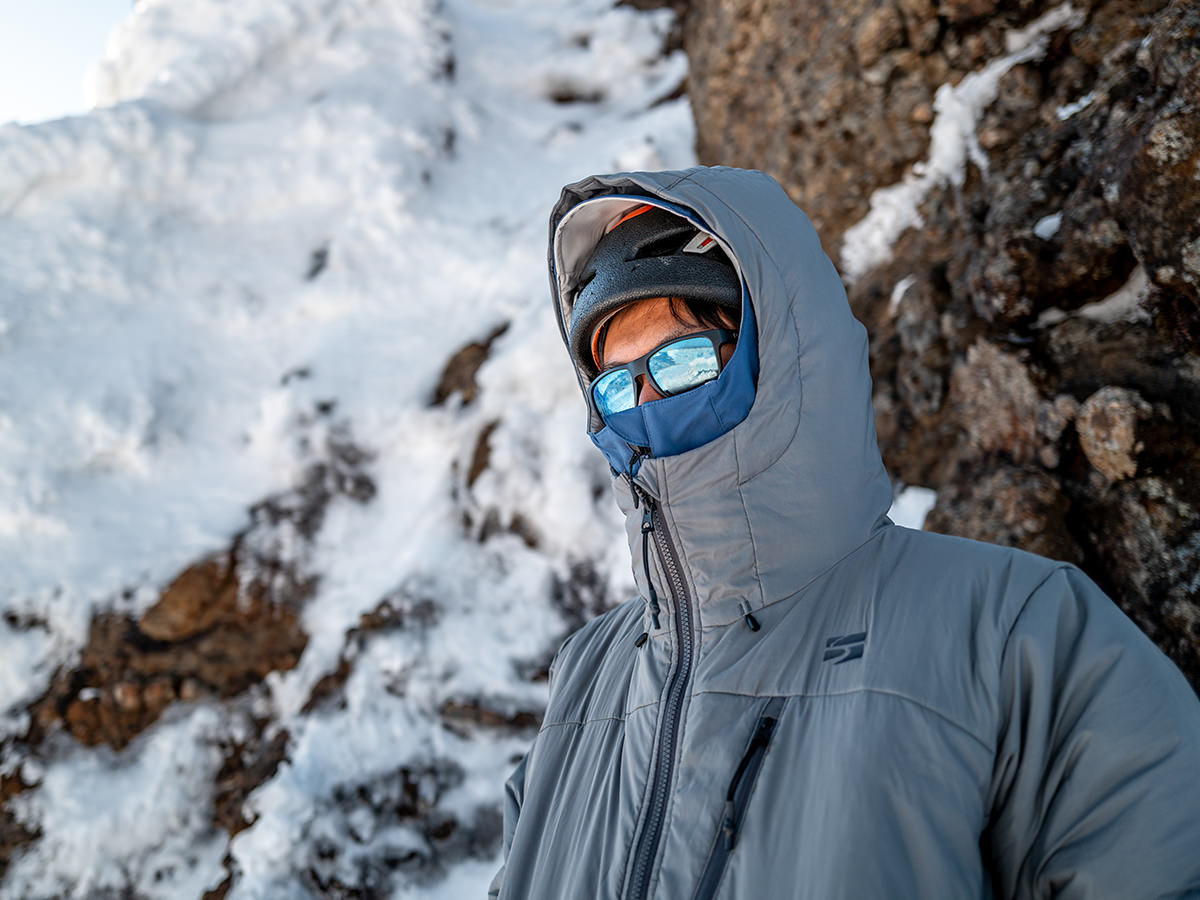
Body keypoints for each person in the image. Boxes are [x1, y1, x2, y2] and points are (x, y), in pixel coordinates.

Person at [489, 166, 1200, 899]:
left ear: (781, 356)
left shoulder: (1016, 629)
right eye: (617, 384)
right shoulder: (586, 676)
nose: (645, 403)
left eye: (682, 360)